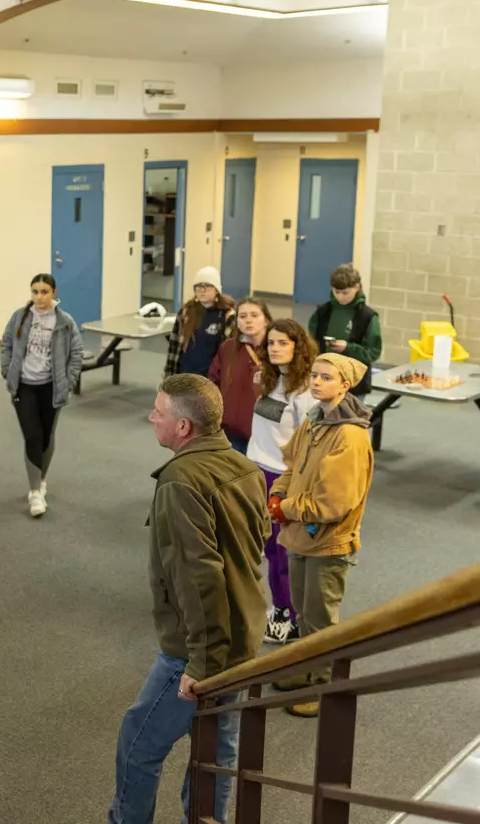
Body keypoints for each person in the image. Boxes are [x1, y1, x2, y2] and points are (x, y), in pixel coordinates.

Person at [108, 374, 269, 824]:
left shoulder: (180, 481)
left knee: (138, 744)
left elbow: (199, 579)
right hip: (243, 638)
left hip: (198, 648)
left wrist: (199, 663)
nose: (151, 417)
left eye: (158, 411)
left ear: (183, 428)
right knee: (217, 749)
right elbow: (255, 543)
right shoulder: (246, 466)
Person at [268, 353, 373, 717]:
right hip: (300, 535)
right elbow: (292, 466)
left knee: (322, 619)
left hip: (328, 542)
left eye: (327, 378)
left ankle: (322, 687)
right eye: (314, 375)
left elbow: (334, 503)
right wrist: (278, 493)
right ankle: (306, 671)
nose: (316, 382)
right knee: (303, 613)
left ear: (345, 384)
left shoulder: (350, 435)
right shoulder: (314, 421)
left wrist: (287, 509)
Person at [246, 319, 318, 647]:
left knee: (281, 550)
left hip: (282, 478)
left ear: (297, 347)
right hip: (256, 471)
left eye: (282, 343)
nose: (275, 348)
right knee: (266, 547)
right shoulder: (267, 379)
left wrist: (298, 486)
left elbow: (310, 443)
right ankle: (281, 607)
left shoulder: (306, 392)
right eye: (271, 343)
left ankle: (286, 613)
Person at [0, 273, 84, 518]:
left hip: (51, 387)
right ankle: (35, 492)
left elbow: (76, 353)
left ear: (54, 293)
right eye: (35, 291)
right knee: (33, 436)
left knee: (47, 436)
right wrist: (7, 371)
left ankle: (41, 478)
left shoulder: (64, 321)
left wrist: (68, 383)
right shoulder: (20, 316)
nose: (39, 297)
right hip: (24, 386)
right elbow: (6, 342)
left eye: (44, 292)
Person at [207, 296, 272, 454]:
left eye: (254, 315)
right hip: (229, 432)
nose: (248, 320)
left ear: (266, 320)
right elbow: (212, 383)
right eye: (242, 316)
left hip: (262, 434)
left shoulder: (276, 350)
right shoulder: (228, 348)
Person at [307, 263, 381, 399]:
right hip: (324, 381)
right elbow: (310, 343)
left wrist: (348, 348)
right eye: (336, 292)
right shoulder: (322, 312)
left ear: (357, 287)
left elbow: (373, 352)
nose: (341, 297)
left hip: (354, 385)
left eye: (345, 293)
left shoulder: (368, 316)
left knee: (349, 419)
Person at [163, 267, 236, 379]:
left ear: (216, 290)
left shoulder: (227, 316)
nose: (202, 290)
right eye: (198, 286)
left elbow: (229, 353)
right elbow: (174, 346)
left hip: (210, 378)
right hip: (184, 374)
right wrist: (168, 377)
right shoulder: (186, 312)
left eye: (207, 286)